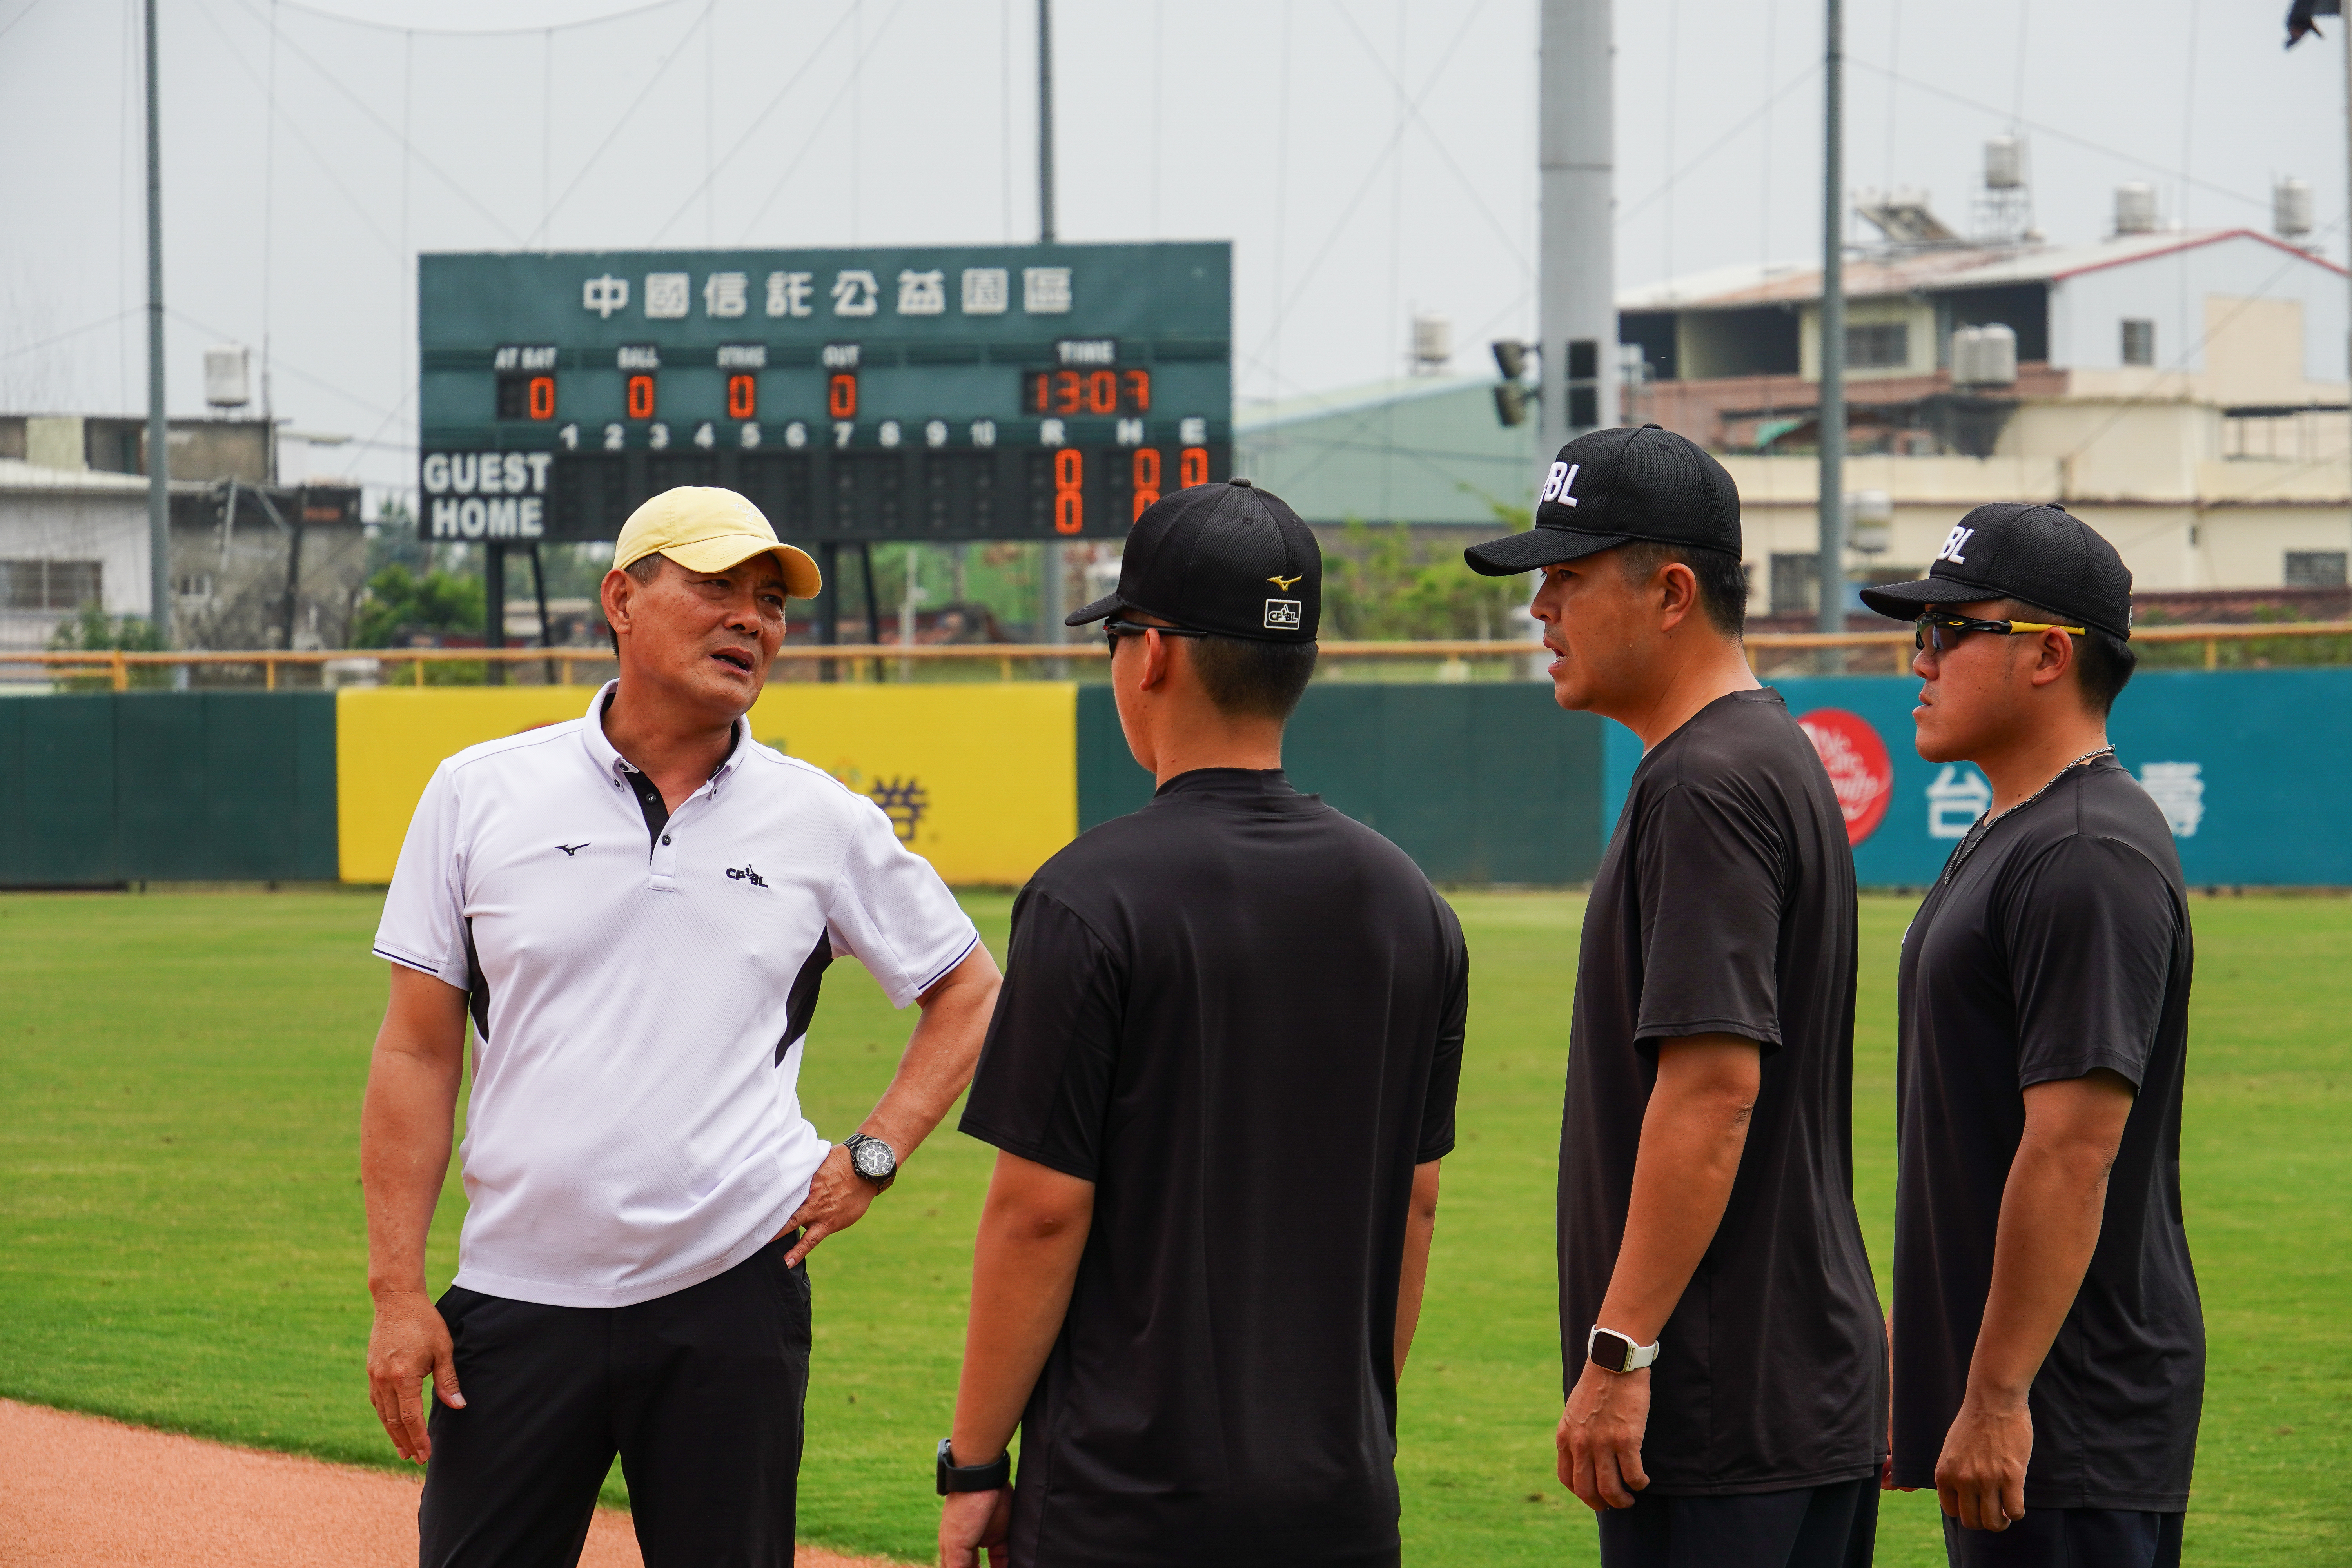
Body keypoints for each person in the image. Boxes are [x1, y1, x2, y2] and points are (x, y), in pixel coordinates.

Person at [359, 486, 1002, 1568]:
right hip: (516, 1302)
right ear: (622, 597)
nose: (751, 619)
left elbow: (971, 988)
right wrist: (396, 1291)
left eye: (770, 601)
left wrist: (876, 1154)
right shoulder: (478, 794)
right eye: (715, 587)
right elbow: (415, 1051)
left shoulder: (823, 820)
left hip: (732, 1295)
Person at [935, 479, 1468, 1568]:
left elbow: (1039, 1213)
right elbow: (1415, 1205)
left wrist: (977, 1465)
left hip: (1124, 1510)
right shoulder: (1413, 905)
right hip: (1339, 1499)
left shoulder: (1088, 897)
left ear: (1155, 654)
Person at [1462, 425, 1887, 1568]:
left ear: (1673, 592)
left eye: (1569, 576)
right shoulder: (1769, 751)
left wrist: (1621, 1354)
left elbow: (1712, 1093)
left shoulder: (1707, 781)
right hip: (1788, 1392)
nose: (1540, 608)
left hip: (1716, 1406)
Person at [1860, 504, 2201, 1568]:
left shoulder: (2087, 853)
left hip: (2070, 1416)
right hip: (2026, 1404)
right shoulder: (2024, 828)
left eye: (1952, 632)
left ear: (2052, 654)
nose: (1921, 659)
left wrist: (2000, 1396)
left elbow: (2072, 1148)